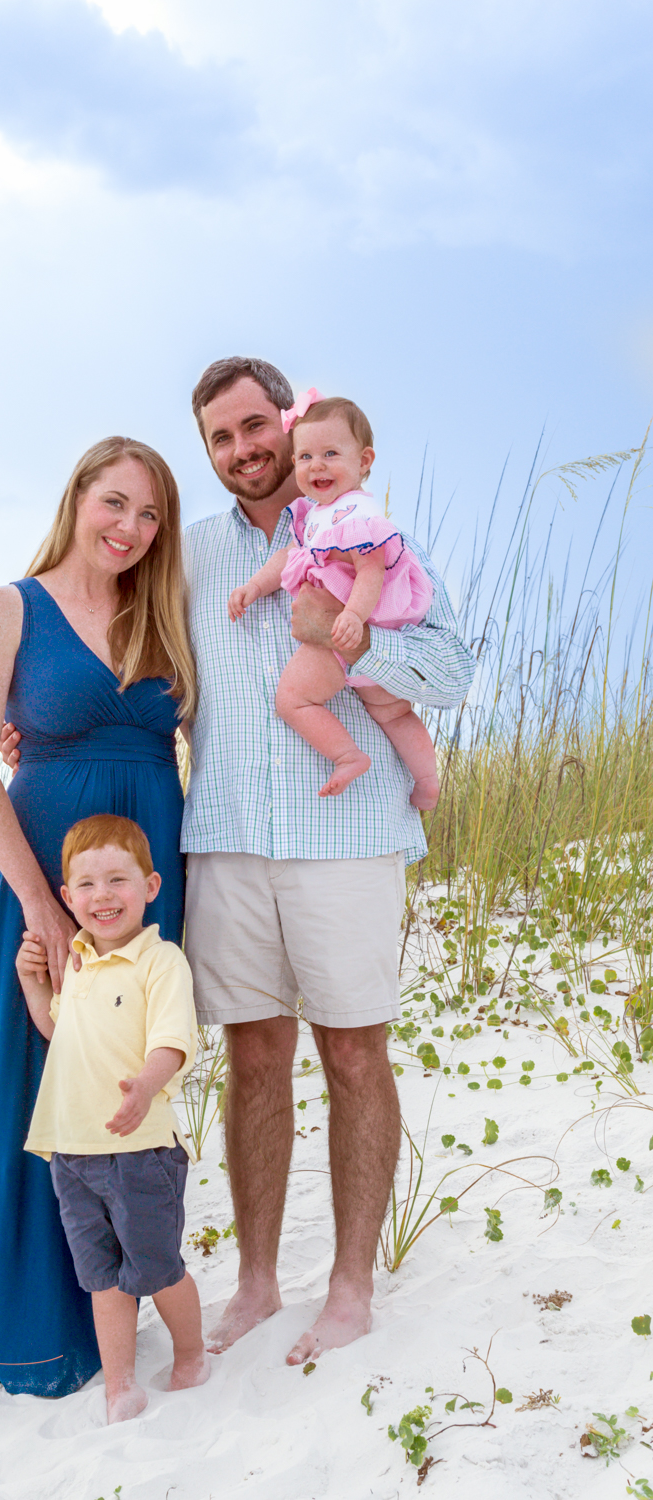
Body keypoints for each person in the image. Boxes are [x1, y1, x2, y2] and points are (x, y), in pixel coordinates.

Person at [183, 357, 475, 1366]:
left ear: (291, 421)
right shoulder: (187, 559)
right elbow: (141, 677)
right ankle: (257, 1283)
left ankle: (348, 1286)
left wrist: (343, 645)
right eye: (220, 438)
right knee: (252, 1058)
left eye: (254, 426)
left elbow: (451, 669)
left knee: (352, 1053)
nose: (244, 450)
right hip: (223, 838)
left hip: (345, 839)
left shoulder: (363, 525)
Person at [0, 436, 196, 1396]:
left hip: (146, 882)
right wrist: (38, 904)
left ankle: (137, 1298)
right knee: (36, 1089)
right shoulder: (8, 607)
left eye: (149, 516)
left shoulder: (159, 611)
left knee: (132, 1082)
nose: (129, 529)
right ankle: (36, 1332)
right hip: (50, 878)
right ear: (77, 497)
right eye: (115, 504)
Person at [17, 814, 207, 1424]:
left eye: (118, 881)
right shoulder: (74, 964)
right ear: (67, 898)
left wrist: (146, 1086)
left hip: (142, 1148)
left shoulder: (160, 961)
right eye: (88, 886)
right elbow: (58, 1033)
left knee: (156, 1266)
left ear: (150, 886)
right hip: (72, 1153)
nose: (104, 897)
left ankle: (192, 1353)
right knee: (101, 1276)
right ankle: (118, 1384)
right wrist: (32, 984)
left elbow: (174, 1040)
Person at [228, 391, 439, 808]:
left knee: (292, 699)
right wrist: (253, 587)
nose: (316, 465)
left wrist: (355, 619)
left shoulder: (356, 516)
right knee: (394, 713)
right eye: (305, 457)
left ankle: (347, 756)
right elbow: (290, 557)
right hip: (358, 633)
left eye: (330, 453)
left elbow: (371, 569)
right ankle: (427, 781)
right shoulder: (317, 515)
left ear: (363, 462)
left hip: (341, 632)